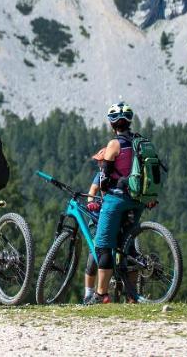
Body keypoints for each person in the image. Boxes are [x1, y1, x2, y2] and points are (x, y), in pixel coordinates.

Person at [82, 101, 147, 305]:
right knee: (129, 247)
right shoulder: (139, 142)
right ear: (129, 122)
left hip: (116, 200)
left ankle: (101, 294)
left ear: (112, 124)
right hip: (137, 200)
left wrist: (101, 194)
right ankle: (131, 295)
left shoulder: (114, 144)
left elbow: (104, 178)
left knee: (103, 246)